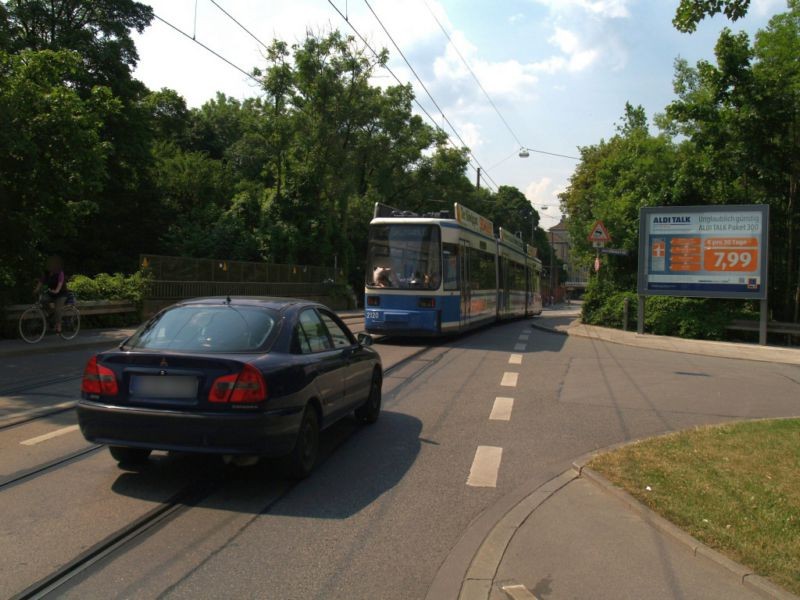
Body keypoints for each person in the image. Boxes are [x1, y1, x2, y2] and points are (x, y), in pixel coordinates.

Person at [35, 256, 69, 333]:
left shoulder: (60, 272)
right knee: (43, 300)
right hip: (51, 293)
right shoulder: (46, 273)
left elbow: (60, 283)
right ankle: (51, 314)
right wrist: (36, 289)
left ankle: (59, 325)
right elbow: (41, 281)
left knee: (58, 309)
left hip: (61, 293)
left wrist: (56, 290)